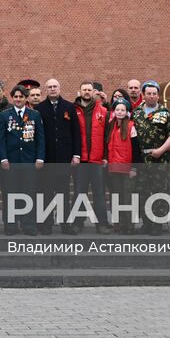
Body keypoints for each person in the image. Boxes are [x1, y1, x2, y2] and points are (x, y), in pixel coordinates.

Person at [34, 78, 81, 235]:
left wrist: (76, 154)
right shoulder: (39, 108)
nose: (53, 89)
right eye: (50, 87)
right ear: (45, 90)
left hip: (64, 158)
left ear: (59, 88)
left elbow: (76, 133)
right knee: (46, 193)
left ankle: (65, 225)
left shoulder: (69, 107)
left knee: (63, 193)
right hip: (46, 158)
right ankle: (46, 225)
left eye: (55, 86)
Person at [0, 85, 44, 236]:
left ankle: (28, 225)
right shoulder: (5, 115)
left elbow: (40, 139)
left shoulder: (34, 115)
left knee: (28, 193)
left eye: (21, 96)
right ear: (12, 98)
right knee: (10, 194)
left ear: (26, 98)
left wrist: (40, 158)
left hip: (29, 161)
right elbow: (1, 140)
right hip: (10, 162)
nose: (18, 99)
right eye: (15, 97)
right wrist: (3, 158)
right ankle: (10, 226)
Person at [132, 82, 170, 236]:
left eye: (154, 93)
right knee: (142, 192)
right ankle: (146, 222)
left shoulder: (165, 112)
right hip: (141, 159)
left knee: (159, 192)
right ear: (143, 95)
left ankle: (158, 224)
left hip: (160, 158)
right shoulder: (136, 112)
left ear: (158, 95)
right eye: (148, 93)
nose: (151, 96)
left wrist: (161, 150)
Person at [75, 80, 108, 231]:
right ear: (80, 92)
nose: (87, 92)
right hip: (80, 160)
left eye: (89, 90)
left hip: (96, 160)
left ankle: (101, 224)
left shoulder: (102, 111)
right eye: (84, 90)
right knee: (79, 193)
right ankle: (77, 223)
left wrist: (105, 156)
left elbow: (107, 136)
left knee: (99, 194)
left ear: (93, 92)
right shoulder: (72, 110)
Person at [103, 99, 140, 232]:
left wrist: (134, 168)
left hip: (127, 168)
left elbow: (136, 149)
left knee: (128, 197)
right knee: (116, 197)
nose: (119, 112)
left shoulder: (131, 126)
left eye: (122, 110)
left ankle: (130, 225)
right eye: (117, 109)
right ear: (114, 111)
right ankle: (119, 223)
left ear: (127, 112)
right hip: (114, 167)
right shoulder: (110, 126)